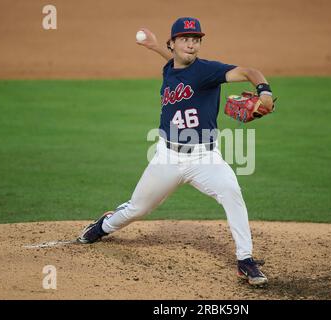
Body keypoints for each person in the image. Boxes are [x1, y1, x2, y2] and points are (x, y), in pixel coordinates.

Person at [77, 17, 274, 286]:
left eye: (196, 40)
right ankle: (102, 227)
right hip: (167, 157)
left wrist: (263, 92)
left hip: (205, 157)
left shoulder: (209, 71)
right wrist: (155, 46)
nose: (191, 45)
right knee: (137, 208)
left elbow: (250, 71)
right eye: (185, 39)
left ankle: (245, 260)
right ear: (173, 44)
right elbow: (172, 61)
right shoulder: (169, 68)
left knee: (231, 192)